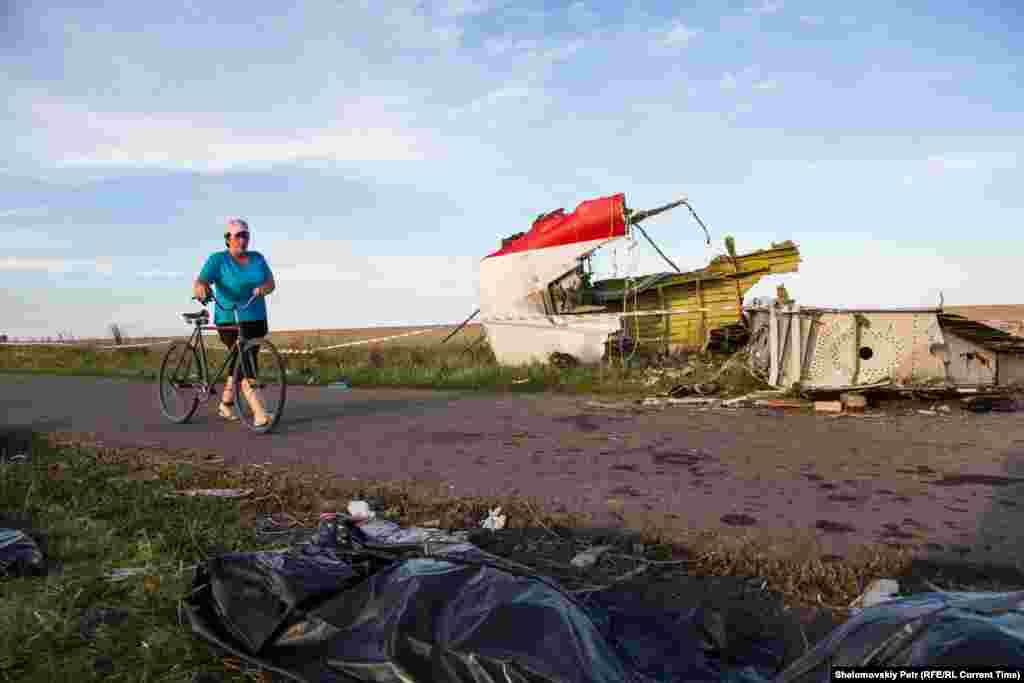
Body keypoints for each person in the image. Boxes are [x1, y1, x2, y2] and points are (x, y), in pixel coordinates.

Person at [192, 218, 276, 426]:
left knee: (239, 361)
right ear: (228, 239)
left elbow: (270, 282)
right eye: (238, 235)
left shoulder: (257, 259)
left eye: (245, 235)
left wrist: (264, 288)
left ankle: (226, 404)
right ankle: (260, 413)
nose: (242, 239)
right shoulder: (218, 260)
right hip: (230, 319)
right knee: (246, 363)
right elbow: (200, 282)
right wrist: (201, 288)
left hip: (256, 318)